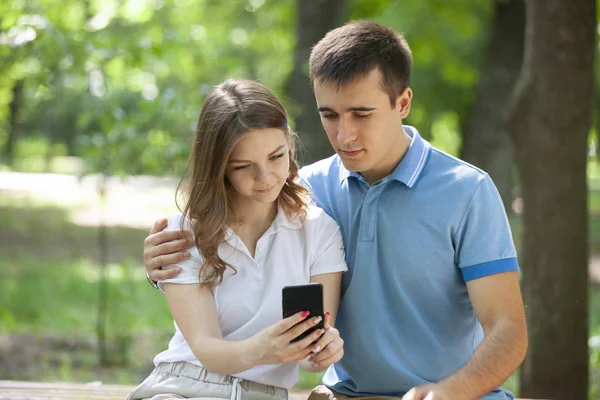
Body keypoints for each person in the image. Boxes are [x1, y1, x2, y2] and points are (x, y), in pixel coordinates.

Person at [143, 21, 528, 400]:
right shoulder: (300, 191)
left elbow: (508, 330)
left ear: (403, 103)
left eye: (361, 114)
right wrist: (158, 264)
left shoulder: (466, 191)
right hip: (347, 394)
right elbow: (227, 226)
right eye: (330, 115)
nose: (344, 136)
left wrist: (447, 393)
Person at [128, 79, 347, 400]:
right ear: (220, 167)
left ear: (289, 141)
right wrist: (260, 349)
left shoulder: (318, 230)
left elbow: (311, 357)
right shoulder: (185, 235)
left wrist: (324, 349)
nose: (266, 177)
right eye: (244, 166)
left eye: (276, 156)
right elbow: (205, 349)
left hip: (264, 394)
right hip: (184, 386)